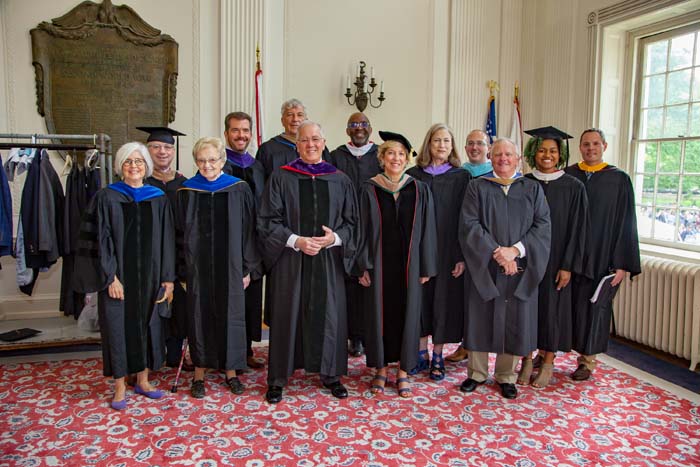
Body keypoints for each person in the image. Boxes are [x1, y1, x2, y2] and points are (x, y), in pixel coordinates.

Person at [257, 121, 358, 403]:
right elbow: (267, 220)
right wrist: (296, 241)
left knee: (330, 315)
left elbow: (353, 224)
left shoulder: (340, 179)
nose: (311, 144)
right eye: (304, 140)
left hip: (328, 260)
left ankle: (331, 374)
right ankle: (278, 378)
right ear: (297, 145)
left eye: (316, 139)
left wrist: (334, 239)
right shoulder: (281, 177)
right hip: (291, 258)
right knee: (287, 312)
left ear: (324, 142)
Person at [74, 142, 175, 410]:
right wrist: (110, 278)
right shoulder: (106, 197)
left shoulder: (158, 197)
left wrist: (168, 279)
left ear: (146, 166)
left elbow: (167, 240)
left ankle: (143, 380)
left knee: (147, 326)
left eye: (139, 161)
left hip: (151, 278)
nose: (133, 166)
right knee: (118, 330)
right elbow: (100, 240)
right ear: (120, 167)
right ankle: (120, 385)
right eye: (128, 161)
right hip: (119, 280)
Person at [458, 137, 551, 399]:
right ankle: (476, 373)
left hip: (519, 267)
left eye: (508, 154)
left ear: (518, 159)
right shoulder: (477, 187)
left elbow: (542, 226)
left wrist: (516, 250)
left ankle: (506, 376)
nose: (503, 159)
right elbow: (470, 225)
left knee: (514, 319)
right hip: (484, 265)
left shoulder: (532, 189)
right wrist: (497, 253)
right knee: (479, 316)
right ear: (491, 157)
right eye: (497, 154)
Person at [177, 137, 260, 398]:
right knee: (199, 315)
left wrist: (247, 268)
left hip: (232, 265)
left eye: (212, 159)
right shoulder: (187, 191)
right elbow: (178, 234)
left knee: (232, 315)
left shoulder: (239, 189)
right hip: (197, 267)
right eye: (201, 160)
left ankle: (231, 371)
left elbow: (249, 231)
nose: (207, 165)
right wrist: (182, 272)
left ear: (222, 160)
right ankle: (199, 372)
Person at [356, 131, 438, 398]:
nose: (395, 158)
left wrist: (426, 267)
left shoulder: (418, 189)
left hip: (409, 266)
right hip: (379, 266)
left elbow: (428, 230)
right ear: (382, 158)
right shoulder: (369, 188)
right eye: (390, 153)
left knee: (408, 315)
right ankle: (380, 368)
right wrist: (362, 265)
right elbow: (361, 231)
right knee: (379, 316)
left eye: (401, 154)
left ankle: (403, 370)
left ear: (407, 159)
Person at [515, 126, 590, 388]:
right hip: (528, 258)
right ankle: (525, 360)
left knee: (553, 312)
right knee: (526, 310)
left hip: (557, 259)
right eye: (542, 150)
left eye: (553, 151)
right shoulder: (524, 182)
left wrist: (568, 265)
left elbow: (578, 230)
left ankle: (547, 362)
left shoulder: (573, 187)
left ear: (561, 154)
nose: (547, 155)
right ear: (533, 153)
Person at [564, 128, 641, 381]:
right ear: (580, 148)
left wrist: (621, 263)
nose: (590, 148)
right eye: (585, 144)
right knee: (565, 304)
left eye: (595, 144)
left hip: (601, 256)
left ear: (604, 146)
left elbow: (626, 222)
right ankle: (549, 353)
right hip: (570, 255)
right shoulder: (569, 175)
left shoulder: (618, 179)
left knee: (595, 308)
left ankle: (587, 361)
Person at [406, 124, 470, 380]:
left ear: (452, 146)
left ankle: (438, 356)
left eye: (446, 141)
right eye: (436, 141)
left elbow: (466, 220)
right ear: (428, 144)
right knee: (420, 299)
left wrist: (461, 255)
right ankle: (421, 353)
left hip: (447, 251)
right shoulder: (413, 175)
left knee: (443, 301)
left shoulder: (461, 177)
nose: (441, 146)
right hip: (419, 248)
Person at [326, 112, 382, 358]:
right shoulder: (337, 155)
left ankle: (372, 334)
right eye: (353, 125)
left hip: (374, 224)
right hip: (345, 225)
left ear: (370, 128)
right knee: (348, 283)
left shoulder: (380, 154)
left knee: (372, 281)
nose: (359, 129)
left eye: (363, 124)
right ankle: (353, 336)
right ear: (347, 130)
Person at [138, 126, 191, 372]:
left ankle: (174, 355)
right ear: (147, 151)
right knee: (151, 309)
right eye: (156, 147)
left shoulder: (186, 185)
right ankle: (149, 359)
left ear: (173, 151)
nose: (163, 152)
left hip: (180, 258)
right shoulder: (139, 186)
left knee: (180, 309)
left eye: (168, 147)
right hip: (149, 258)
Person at [222, 111, 266, 369]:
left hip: (254, 242)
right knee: (229, 298)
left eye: (245, 130)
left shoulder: (257, 165)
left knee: (251, 300)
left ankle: (247, 351)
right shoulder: (218, 164)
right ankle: (228, 353)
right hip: (227, 241)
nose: (241, 135)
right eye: (236, 130)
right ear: (227, 133)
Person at [448, 129, 492, 363]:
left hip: (490, 245)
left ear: (489, 147)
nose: (475, 148)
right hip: (465, 242)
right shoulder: (459, 174)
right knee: (466, 299)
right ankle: (467, 344)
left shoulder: (497, 175)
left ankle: (484, 346)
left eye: (480, 144)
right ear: (465, 148)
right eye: (470, 143)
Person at [256, 98, 307, 179]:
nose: (295, 119)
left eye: (300, 115)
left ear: (305, 120)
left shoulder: (315, 147)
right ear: (282, 121)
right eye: (290, 115)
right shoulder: (268, 149)